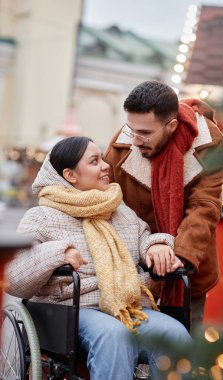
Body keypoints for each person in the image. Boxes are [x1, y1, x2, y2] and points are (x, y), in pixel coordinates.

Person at [6, 136, 191, 380]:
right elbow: (15, 277)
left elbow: (143, 237)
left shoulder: (120, 211)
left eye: (102, 158)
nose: (106, 166)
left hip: (126, 307)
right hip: (70, 311)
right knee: (114, 335)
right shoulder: (42, 216)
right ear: (71, 175)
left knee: (176, 336)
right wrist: (58, 252)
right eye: (95, 161)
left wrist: (155, 246)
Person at [104, 80, 223, 331]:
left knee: (187, 352)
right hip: (133, 267)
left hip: (187, 269)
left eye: (145, 133)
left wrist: (178, 256)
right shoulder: (122, 144)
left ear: (171, 126)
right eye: (131, 129)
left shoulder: (207, 142)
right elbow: (106, 199)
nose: (136, 140)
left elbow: (205, 205)